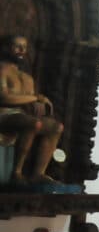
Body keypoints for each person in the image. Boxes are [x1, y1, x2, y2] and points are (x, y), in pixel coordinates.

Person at [0, 35, 64, 185]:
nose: (22, 50)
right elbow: (4, 98)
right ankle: (17, 172)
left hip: (22, 116)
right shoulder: (2, 70)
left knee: (56, 127)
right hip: (3, 115)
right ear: (6, 48)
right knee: (34, 124)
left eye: (25, 47)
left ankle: (38, 173)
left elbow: (31, 103)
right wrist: (36, 98)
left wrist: (41, 106)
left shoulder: (27, 78)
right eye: (17, 46)